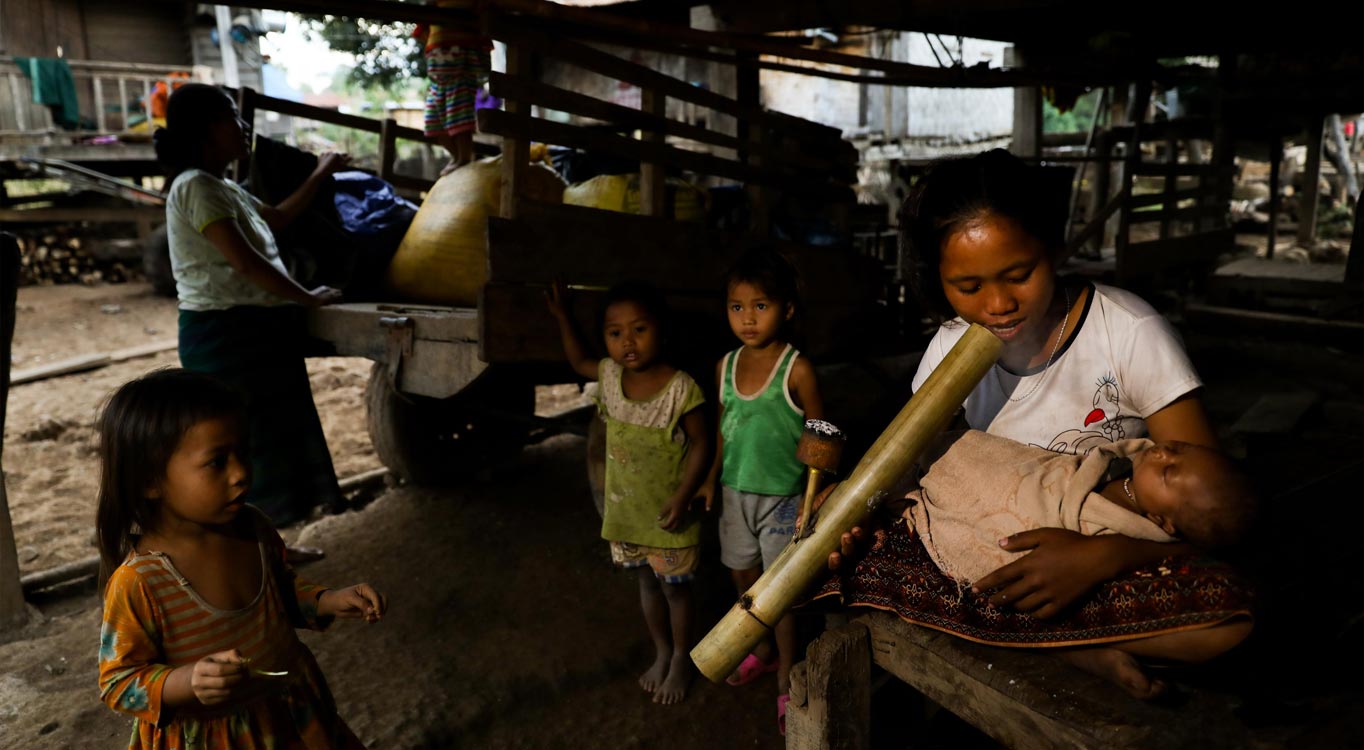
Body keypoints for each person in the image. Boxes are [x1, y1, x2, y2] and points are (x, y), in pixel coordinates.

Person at [818, 149, 1254, 700]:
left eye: (1019, 275)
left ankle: (1041, 636)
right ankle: (1077, 647)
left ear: (1054, 248)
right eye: (968, 288)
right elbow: (912, 478)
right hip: (993, 562)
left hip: (1110, 565)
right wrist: (854, 512)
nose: (999, 304)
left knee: (1228, 612)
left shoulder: (1129, 331)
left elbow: (1203, 508)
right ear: (938, 279)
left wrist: (1102, 558)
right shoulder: (949, 350)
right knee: (850, 565)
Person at [96, 369, 388, 749]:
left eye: (243, 453)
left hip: (291, 718)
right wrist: (186, 681)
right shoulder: (141, 581)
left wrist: (326, 601)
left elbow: (278, 594)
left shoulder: (254, 528)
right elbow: (117, 684)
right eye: (217, 462)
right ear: (149, 481)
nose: (241, 473)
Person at [154, 83, 349, 534]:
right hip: (226, 337)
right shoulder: (195, 187)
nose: (243, 126)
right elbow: (243, 261)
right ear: (205, 131)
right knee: (241, 450)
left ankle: (272, 547)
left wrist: (320, 172)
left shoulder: (225, 188)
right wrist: (307, 296)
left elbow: (277, 218)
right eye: (231, 117)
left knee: (273, 447)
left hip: (256, 334)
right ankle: (251, 555)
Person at [546, 281, 710, 705]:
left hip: (669, 518)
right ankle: (660, 651)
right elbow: (579, 359)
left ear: (662, 331)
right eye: (615, 333)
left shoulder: (680, 388)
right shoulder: (609, 376)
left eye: (639, 329)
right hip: (630, 517)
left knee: (675, 590)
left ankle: (680, 659)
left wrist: (683, 495)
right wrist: (563, 317)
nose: (627, 342)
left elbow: (702, 443)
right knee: (648, 586)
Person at [696, 247, 822, 734]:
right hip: (735, 493)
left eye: (760, 306)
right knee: (743, 579)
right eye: (736, 307)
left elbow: (819, 434)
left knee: (778, 594)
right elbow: (727, 428)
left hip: (783, 499)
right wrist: (711, 476)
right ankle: (762, 649)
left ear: (787, 309)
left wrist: (814, 496)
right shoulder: (725, 366)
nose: (747, 318)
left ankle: (787, 676)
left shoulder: (797, 369)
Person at [903, 430, 1258, 587]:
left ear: (1160, 522)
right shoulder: (1119, 469)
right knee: (966, 454)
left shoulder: (1113, 531)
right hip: (1027, 472)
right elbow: (1054, 469)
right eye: (1177, 448)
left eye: (1168, 472)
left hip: (1033, 511)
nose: (1162, 453)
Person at [413, 0, 493, 175]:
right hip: (437, 78)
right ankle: (457, 156)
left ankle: (464, 158)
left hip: (460, 74)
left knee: (460, 119)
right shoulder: (432, 8)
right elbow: (422, 32)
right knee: (433, 124)